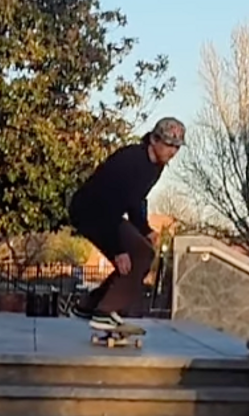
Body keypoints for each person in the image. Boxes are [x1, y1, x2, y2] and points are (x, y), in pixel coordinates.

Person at [68, 117, 184, 330]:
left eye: (177, 148)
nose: (172, 153)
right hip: (90, 211)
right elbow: (109, 202)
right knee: (138, 255)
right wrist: (117, 249)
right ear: (153, 139)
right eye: (169, 145)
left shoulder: (156, 167)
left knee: (144, 252)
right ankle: (103, 312)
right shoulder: (130, 160)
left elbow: (136, 200)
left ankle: (87, 306)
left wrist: (145, 229)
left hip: (107, 213)